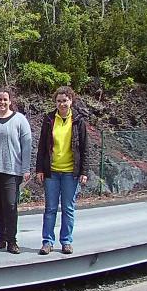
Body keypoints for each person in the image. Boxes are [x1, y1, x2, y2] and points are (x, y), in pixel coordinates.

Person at [35, 86, 90, 255]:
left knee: (68, 208)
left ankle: (66, 241)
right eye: (59, 101)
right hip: (52, 171)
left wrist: (84, 171)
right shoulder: (49, 119)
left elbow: (85, 148)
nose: (62, 104)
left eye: (65, 100)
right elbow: (42, 146)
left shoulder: (78, 121)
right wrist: (40, 169)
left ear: (71, 101)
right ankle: (47, 242)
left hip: (70, 173)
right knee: (50, 208)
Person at [0, 88, 33, 255]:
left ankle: (12, 240)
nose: (2, 102)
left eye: (5, 99)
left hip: (12, 170)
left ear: (10, 101)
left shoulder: (20, 120)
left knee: (10, 205)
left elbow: (27, 146)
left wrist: (25, 169)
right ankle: (1, 238)